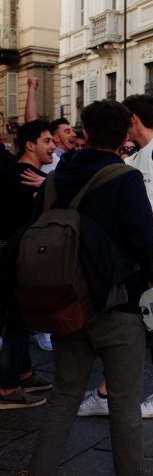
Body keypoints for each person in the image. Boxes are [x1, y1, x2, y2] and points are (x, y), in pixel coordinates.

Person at [27, 99, 153, 475]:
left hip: (66, 300)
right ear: (123, 137)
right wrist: (152, 274)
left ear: (84, 133)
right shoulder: (124, 178)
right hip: (117, 303)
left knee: (64, 395)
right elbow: (143, 238)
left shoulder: (55, 179)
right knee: (123, 402)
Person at [77, 94, 153, 419]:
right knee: (138, 322)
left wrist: (148, 219)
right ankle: (105, 392)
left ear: (133, 120)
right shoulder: (141, 153)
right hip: (145, 248)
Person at [0, 120, 55, 409]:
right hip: (15, 254)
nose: (53, 145)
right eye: (48, 140)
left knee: (19, 318)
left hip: (11, 252)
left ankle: (23, 372)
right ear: (31, 145)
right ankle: (7, 388)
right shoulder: (26, 176)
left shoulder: (20, 172)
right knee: (19, 320)